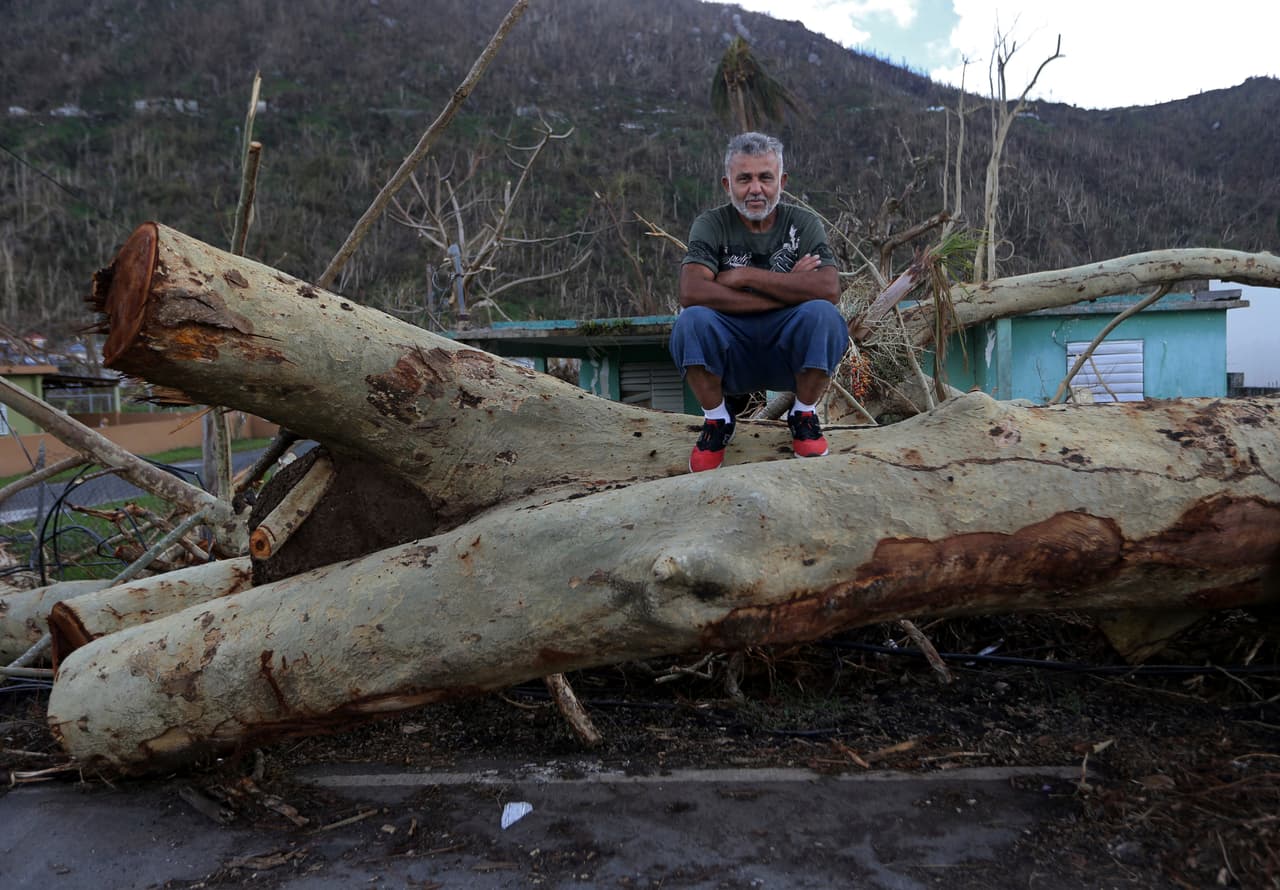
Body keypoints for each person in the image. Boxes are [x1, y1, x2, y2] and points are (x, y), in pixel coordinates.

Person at [669, 132, 848, 472]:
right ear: (727, 184)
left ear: (781, 181)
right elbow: (692, 292)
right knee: (691, 322)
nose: (755, 188)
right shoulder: (711, 224)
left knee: (823, 316)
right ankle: (717, 420)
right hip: (731, 349)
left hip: (787, 350)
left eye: (765, 177)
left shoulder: (802, 223)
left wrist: (745, 277)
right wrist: (791, 286)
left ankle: (804, 414)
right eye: (744, 178)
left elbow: (827, 289)